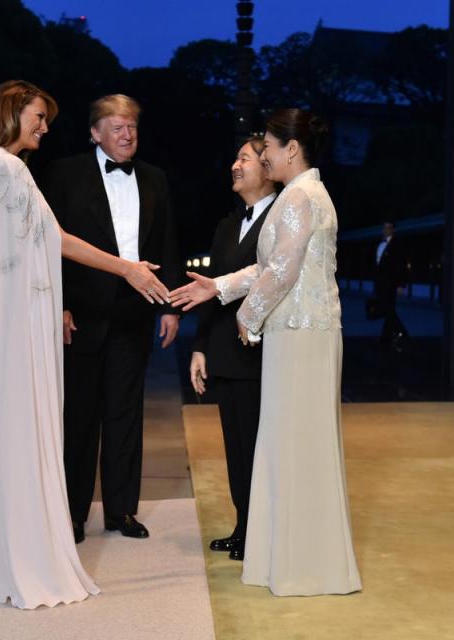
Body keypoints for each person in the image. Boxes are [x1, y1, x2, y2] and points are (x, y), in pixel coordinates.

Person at [0, 80, 170, 608]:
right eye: (38, 116)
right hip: (16, 319)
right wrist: (127, 269)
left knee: (3, 425)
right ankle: (24, 555)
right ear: (12, 113)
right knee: (29, 424)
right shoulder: (6, 166)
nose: (45, 127)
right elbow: (57, 239)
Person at [171, 109, 362, 596]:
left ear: (291, 149)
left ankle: (303, 562)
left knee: (296, 444)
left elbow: (282, 271)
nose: (266, 156)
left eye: (270, 148)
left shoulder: (299, 196)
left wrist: (246, 318)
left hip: (300, 335)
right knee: (290, 444)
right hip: (299, 333)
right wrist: (216, 287)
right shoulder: (304, 195)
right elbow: (267, 268)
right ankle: (293, 552)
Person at [40, 94, 183, 544]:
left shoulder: (156, 178)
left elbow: (168, 243)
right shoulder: (64, 174)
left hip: (135, 311)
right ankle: (73, 513)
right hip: (81, 312)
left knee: (125, 414)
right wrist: (58, 304)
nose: (127, 135)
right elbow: (49, 244)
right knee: (79, 416)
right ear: (95, 133)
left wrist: (170, 306)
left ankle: (122, 512)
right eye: (117, 128)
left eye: (133, 128)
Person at [190, 135, 275, 561]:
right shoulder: (226, 224)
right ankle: (243, 526)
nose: (234, 166)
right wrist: (200, 347)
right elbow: (211, 291)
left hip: (262, 355)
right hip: (226, 354)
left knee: (260, 447)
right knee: (236, 447)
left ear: (266, 166)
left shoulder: (282, 217)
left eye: (242, 158)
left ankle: (262, 531)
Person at [374, 220, 408, 349]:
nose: (386, 230)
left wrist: (401, 284)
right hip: (381, 283)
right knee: (388, 309)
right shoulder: (379, 244)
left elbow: (401, 266)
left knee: (388, 309)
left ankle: (402, 333)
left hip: (391, 283)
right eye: (384, 228)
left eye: (388, 228)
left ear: (393, 230)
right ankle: (386, 338)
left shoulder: (397, 245)